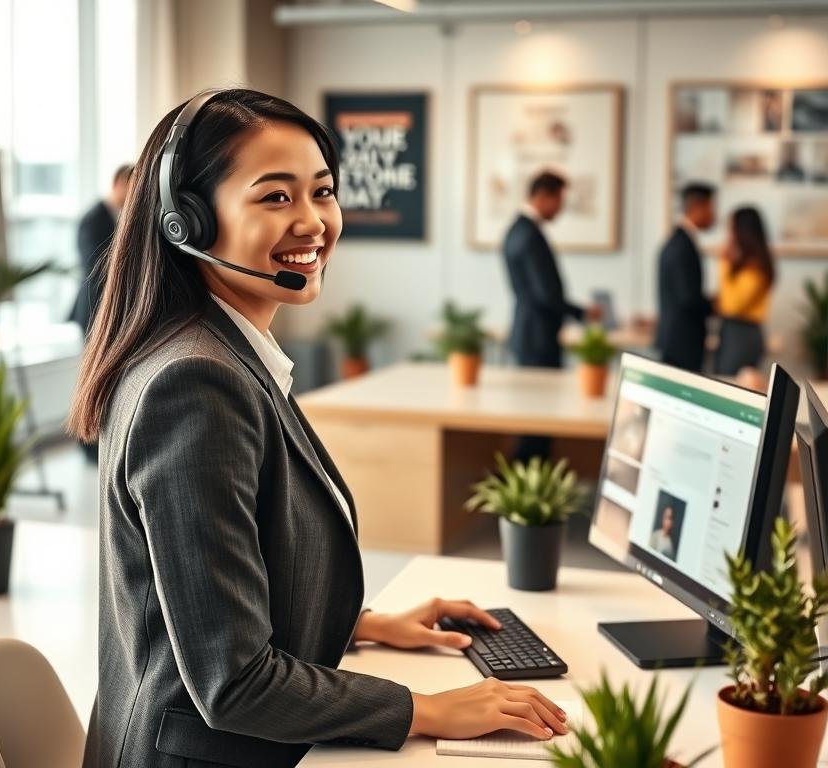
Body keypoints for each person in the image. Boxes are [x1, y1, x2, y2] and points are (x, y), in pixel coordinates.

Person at [68, 89, 567, 768]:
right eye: (275, 197)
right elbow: (232, 681)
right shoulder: (195, 385)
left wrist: (361, 625)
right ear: (187, 221)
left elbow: (208, 601)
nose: (313, 223)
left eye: (323, 192)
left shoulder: (218, 353)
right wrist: (426, 709)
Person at [502, 170, 593, 462]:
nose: (561, 208)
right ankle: (532, 499)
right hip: (537, 338)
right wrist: (581, 312)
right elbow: (546, 294)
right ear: (544, 196)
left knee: (533, 420)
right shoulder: (529, 234)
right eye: (560, 200)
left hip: (529, 333)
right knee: (537, 425)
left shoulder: (517, 230)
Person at [69, 164, 132, 464]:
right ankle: (87, 445)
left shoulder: (118, 219)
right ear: (118, 183)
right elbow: (94, 270)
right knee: (93, 377)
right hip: (94, 311)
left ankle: (104, 441)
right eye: (130, 188)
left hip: (111, 312)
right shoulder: (92, 220)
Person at [656, 182, 716, 372]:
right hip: (683, 342)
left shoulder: (676, 241)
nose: (714, 215)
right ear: (698, 207)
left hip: (675, 339)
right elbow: (688, 298)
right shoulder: (683, 246)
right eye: (711, 208)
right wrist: (715, 305)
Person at [69, 164, 134, 337]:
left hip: (111, 307)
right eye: (133, 186)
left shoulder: (121, 217)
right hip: (95, 306)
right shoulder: (93, 219)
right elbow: (93, 264)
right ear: (118, 183)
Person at [715, 206, 776, 376]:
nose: (729, 234)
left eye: (731, 228)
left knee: (729, 384)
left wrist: (724, 263)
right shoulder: (746, 264)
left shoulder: (755, 267)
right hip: (735, 331)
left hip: (742, 334)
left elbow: (731, 306)